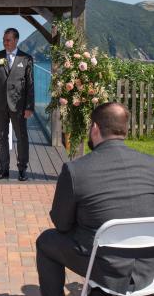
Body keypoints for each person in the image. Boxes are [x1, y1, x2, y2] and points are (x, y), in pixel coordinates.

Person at [36, 102, 154, 296]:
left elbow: (61, 224)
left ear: (95, 128)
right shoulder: (151, 164)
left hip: (105, 268)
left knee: (46, 241)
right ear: (125, 129)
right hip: (148, 268)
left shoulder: (76, 170)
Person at [0, 28, 34, 181]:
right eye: (4, 39)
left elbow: (30, 86)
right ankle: (4, 169)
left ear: (16, 40)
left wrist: (29, 107)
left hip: (18, 106)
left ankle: (22, 169)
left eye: (8, 40)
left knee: (22, 137)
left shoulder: (26, 59)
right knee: (1, 138)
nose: (5, 42)